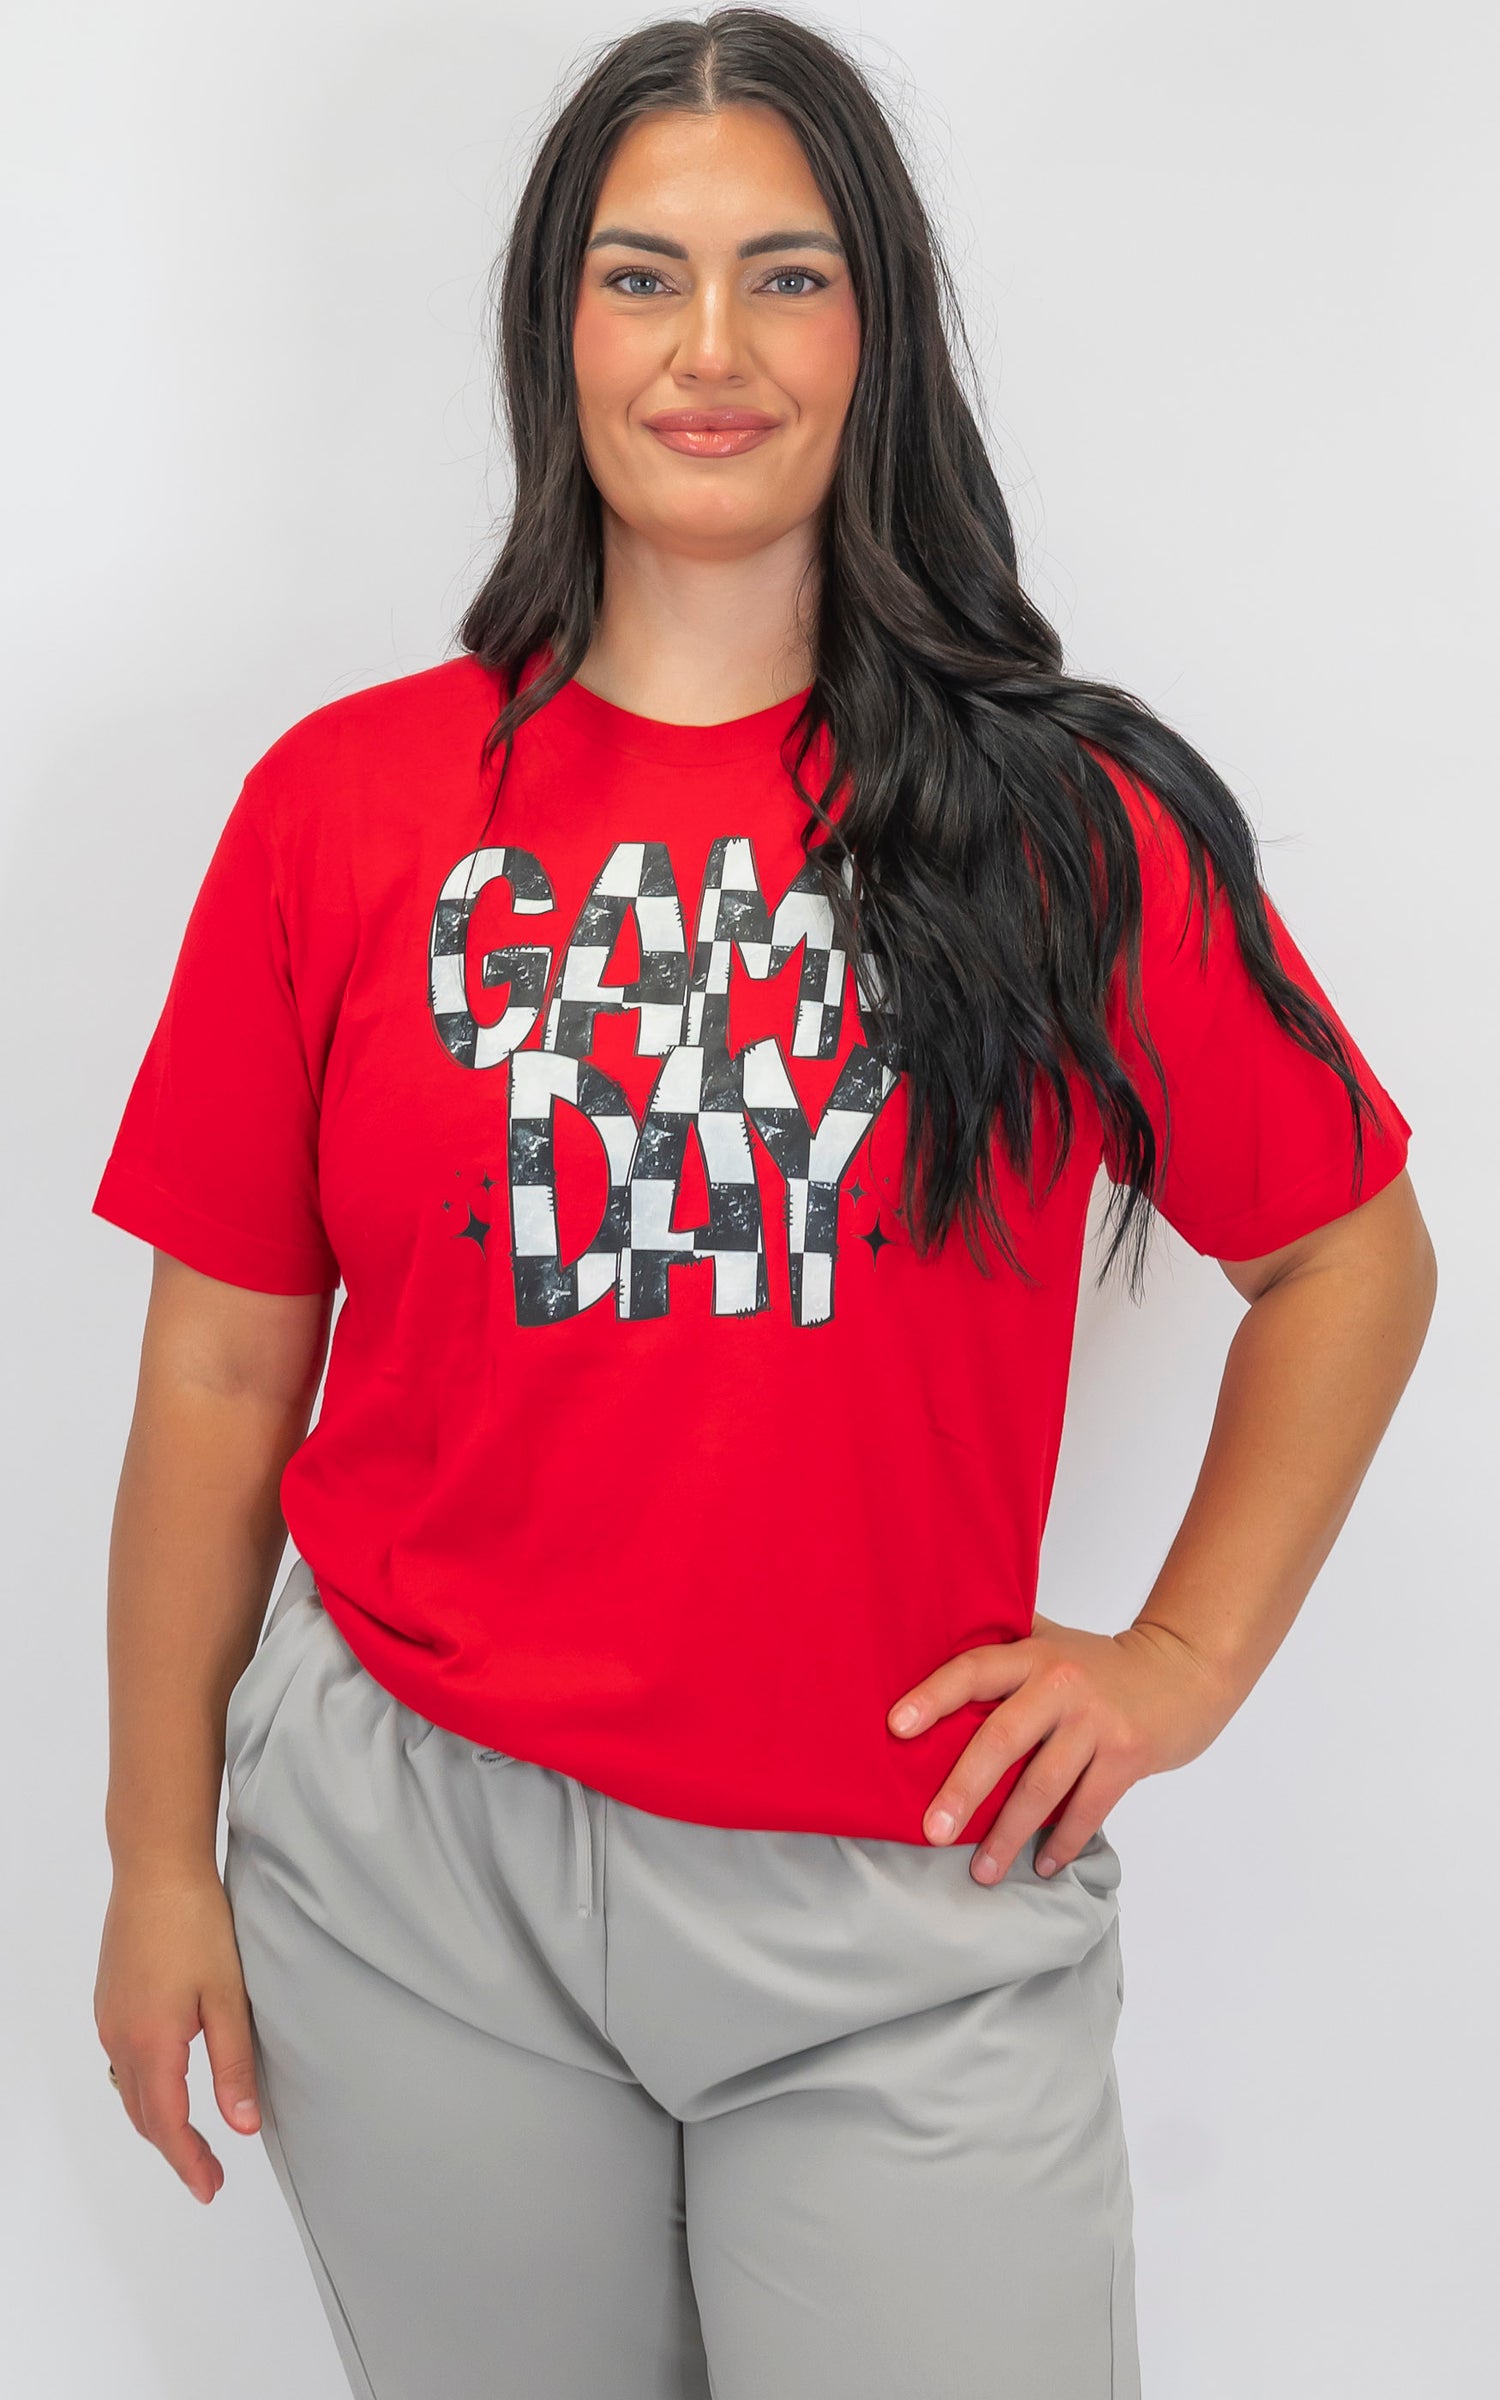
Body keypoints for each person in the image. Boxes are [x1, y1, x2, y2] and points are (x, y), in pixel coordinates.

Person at [88, 11, 1436, 2398]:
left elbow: (1346, 1253)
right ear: (556, 330)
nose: (710, 350)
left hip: (904, 1890)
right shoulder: (344, 806)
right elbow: (216, 1362)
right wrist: (159, 1855)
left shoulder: (1067, 826)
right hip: (410, 1870)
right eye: (642, 277)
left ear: (875, 331)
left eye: (784, 277)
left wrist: (1182, 1662)